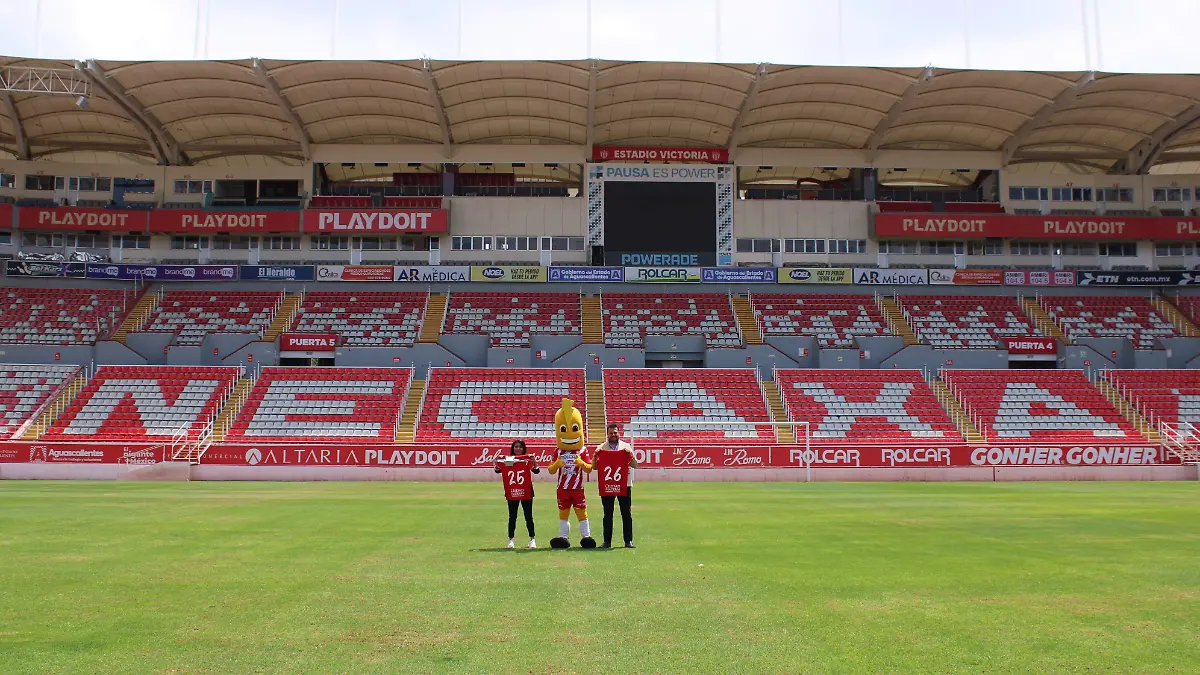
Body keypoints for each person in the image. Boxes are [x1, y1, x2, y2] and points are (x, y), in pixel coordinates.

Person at [594, 422, 637, 548]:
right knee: (608, 514)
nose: (613, 435)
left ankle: (628, 541)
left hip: (624, 485)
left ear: (619, 433)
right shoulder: (602, 448)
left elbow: (635, 465)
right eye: (611, 433)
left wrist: (629, 453)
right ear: (607, 434)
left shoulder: (626, 446)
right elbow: (595, 467)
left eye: (615, 433)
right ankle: (607, 542)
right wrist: (595, 455)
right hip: (607, 485)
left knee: (626, 513)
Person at [495, 439, 538, 549]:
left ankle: (532, 539)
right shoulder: (507, 460)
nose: (518, 449)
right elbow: (497, 470)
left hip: (526, 491)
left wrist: (534, 461)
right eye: (516, 447)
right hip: (512, 491)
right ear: (512, 448)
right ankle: (511, 540)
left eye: (520, 447)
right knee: (512, 517)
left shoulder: (526, 460)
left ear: (523, 449)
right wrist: (498, 461)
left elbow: (536, 471)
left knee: (528, 516)